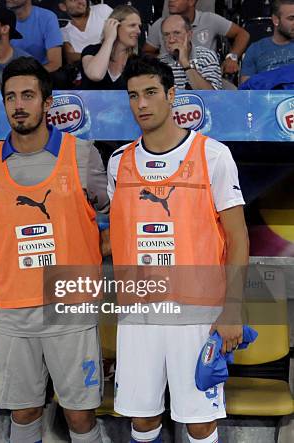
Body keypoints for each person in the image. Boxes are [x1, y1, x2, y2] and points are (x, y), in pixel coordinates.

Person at [108, 55, 248, 443]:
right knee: (142, 421)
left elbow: (238, 238)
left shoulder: (213, 155)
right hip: (138, 313)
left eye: (151, 93)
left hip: (198, 314)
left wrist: (233, 308)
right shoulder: (119, 163)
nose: (142, 104)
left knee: (200, 422)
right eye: (134, 95)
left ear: (172, 95)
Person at [0, 56, 109, 443]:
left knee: (80, 416)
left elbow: (119, 219)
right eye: (11, 97)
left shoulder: (84, 156)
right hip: (14, 307)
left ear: (47, 102)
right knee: (24, 411)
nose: (19, 104)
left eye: (28, 95)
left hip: (70, 305)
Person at [143, 0, 249, 75]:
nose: (171, 1)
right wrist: (162, 62)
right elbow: (147, 52)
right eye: (167, 34)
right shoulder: (161, 24)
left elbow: (242, 34)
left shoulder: (209, 19)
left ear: (191, 1)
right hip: (171, 80)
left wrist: (232, 57)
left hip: (207, 76)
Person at [81, 5, 141, 90]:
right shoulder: (91, 51)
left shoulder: (138, 59)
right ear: (114, 26)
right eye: (132, 25)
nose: (138, 31)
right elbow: (96, 75)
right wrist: (109, 39)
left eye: (139, 26)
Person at [159, 14, 222, 89]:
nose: (171, 40)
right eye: (166, 35)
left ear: (189, 35)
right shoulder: (160, 62)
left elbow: (211, 96)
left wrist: (185, 63)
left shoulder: (207, 56)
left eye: (177, 33)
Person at [240, 0, 294, 84]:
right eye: (291, 18)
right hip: (265, 95)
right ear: (276, 20)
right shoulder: (255, 49)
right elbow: (246, 88)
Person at [6, 0, 63, 72]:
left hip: (38, 75)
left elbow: (55, 64)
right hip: (4, 75)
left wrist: (23, 77)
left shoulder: (47, 17)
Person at [60, 0, 112, 65]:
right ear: (63, 7)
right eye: (73, 0)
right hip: (85, 73)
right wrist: (98, 56)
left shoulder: (102, 10)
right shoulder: (64, 32)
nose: (80, 1)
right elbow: (70, 57)